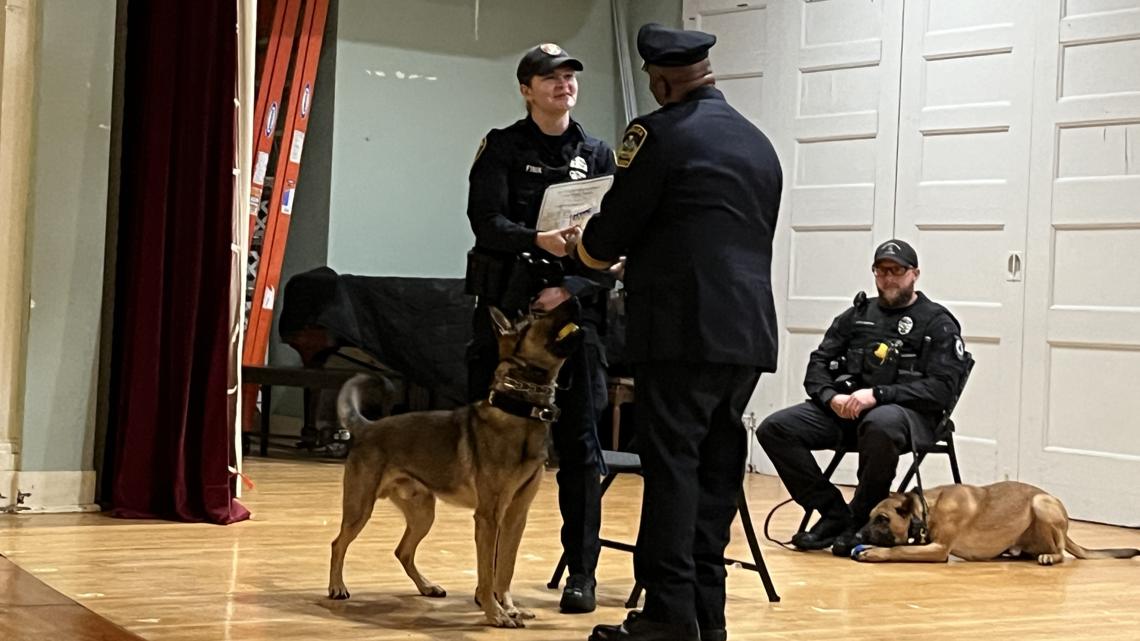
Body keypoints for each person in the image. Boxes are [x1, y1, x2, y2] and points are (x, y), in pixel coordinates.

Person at [568, 23, 782, 641]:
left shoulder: (655, 134)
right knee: (717, 472)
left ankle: (666, 615)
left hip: (681, 331)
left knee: (672, 473)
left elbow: (613, 230)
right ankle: (706, 618)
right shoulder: (758, 142)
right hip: (746, 334)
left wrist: (584, 251)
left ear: (659, 80)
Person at [463, 43, 616, 614]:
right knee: (491, 448)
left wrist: (571, 287)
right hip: (507, 316)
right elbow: (486, 222)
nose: (563, 84)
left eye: (571, 76)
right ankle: (490, 579)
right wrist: (536, 241)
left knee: (579, 447)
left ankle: (582, 573)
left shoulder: (598, 153)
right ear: (526, 88)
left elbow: (611, 242)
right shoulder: (503, 147)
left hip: (571, 322)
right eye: (549, 77)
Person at [757, 239, 970, 557]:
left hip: (910, 418)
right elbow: (817, 366)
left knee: (881, 421)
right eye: (881, 270)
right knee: (774, 428)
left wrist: (878, 394)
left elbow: (940, 390)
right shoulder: (856, 315)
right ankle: (832, 513)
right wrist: (830, 398)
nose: (888, 278)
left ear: (914, 274)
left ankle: (861, 518)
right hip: (848, 414)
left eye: (897, 270)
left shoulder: (936, 322)